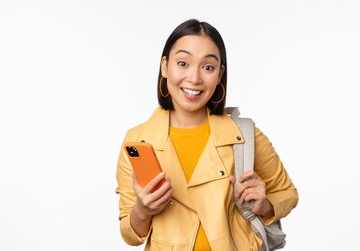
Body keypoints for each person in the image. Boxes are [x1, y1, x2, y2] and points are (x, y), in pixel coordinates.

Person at [115, 19, 298, 250]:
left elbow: (288, 193)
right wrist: (143, 209)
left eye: (208, 67)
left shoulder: (244, 134)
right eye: (183, 63)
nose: (194, 78)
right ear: (164, 66)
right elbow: (132, 236)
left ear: (220, 74)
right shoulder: (137, 140)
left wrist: (266, 205)